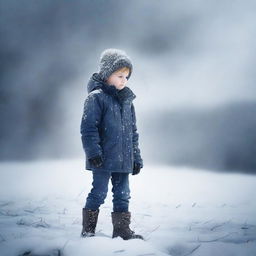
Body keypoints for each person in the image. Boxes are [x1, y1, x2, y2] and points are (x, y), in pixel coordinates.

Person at [80, 48, 144, 240]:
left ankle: (122, 230)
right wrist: (93, 153)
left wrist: (136, 157)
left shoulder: (127, 102)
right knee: (99, 192)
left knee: (123, 194)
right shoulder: (96, 98)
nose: (124, 80)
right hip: (102, 158)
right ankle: (88, 229)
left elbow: (133, 133)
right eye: (119, 75)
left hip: (123, 159)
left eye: (127, 76)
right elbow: (88, 128)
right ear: (107, 74)